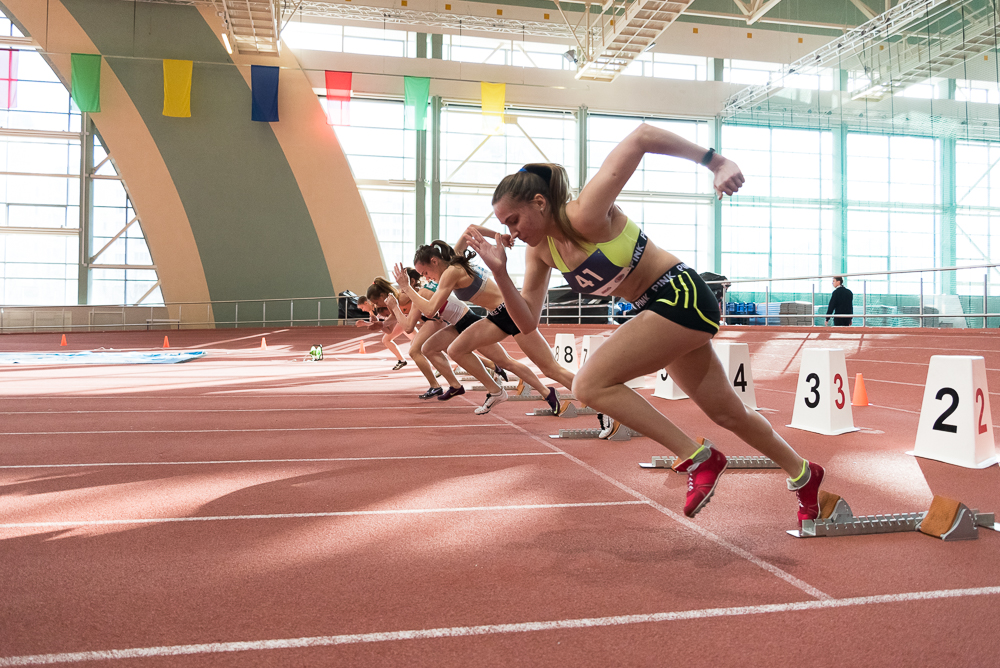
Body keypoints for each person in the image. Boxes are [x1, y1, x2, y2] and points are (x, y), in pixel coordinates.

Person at [466, 128, 826, 525]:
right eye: (503, 224)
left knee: (588, 384)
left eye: (514, 220)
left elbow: (640, 138)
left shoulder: (584, 212)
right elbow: (528, 321)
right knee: (729, 414)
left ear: (540, 202)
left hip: (681, 293)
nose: (511, 232)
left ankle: (698, 457)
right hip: (656, 308)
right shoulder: (540, 254)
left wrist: (716, 162)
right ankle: (804, 475)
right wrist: (500, 273)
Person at [398, 239, 574, 415]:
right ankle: (496, 391)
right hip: (496, 316)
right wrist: (498, 236)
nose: (426, 278)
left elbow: (429, 310)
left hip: (513, 313)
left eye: (425, 272)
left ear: (434, 261)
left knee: (550, 369)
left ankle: (592, 392)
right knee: (456, 350)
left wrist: (406, 287)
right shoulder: (454, 263)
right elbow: (469, 230)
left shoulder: (451, 272)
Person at [383, 268, 462, 399]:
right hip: (440, 320)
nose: (400, 290)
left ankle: (439, 386)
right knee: (447, 350)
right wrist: (382, 323)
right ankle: (453, 384)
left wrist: (395, 306)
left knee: (416, 350)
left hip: (442, 320)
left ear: (411, 281)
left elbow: (407, 326)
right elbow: (398, 318)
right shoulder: (412, 293)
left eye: (401, 285)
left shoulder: (414, 293)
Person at [365, 278, 415, 370]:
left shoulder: (401, 298)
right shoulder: (390, 302)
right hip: (412, 320)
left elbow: (417, 296)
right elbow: (394, 318)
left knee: (420, 347)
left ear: (382, 295)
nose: (378, 306)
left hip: (433, 315)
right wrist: (382, 324)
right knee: (420, 344)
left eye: (376, 302)